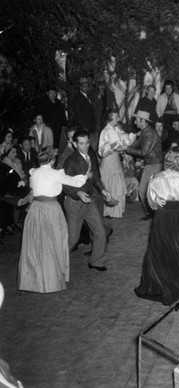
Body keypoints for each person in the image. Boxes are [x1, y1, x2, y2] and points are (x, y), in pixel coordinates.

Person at [134, 148, 179, 309]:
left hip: (163, 218)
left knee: (158, 252)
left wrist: (157, 200)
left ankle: (161, 287)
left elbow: (151, 204)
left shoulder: (157, 178)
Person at [18, 149, 86, 293]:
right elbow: (75, 181)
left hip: (35, 210)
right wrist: (86, 175)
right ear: (52, 160)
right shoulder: (56, 174)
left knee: (36, 244)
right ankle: (52, 281)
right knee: (54, 242)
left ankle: (34, 280)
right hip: (51, 210)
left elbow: (32, 190)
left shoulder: (34, 173)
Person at [63, 130, 112, 271]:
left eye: (87, 143)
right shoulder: (70, 161)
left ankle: (96, 261)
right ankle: (55, 261)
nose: (84, 146)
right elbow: (64, 184)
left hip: (89, 200)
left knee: (100, 231)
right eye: (81, 143)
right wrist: (77, 193)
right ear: (75, 144)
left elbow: (95, 176)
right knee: (72, 239)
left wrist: (102, 190)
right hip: (74, 203)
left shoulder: (90, 154)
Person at [98, 111, 136, 218]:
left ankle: (116, 211)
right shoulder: (105, 131)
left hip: (115, 159)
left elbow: (124, 139)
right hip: (109, 159)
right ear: (109, 119)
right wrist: (110, 147)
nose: (118, 119)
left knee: (117, 183)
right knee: (110, 183)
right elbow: (101, 150)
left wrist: (129, 139)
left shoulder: (115, 129)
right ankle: (108, 211)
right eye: (116, 117)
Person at [126, 110, 163, 220]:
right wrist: (125, 148)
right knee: (144, 190)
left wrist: (127, 149)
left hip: (154, 164)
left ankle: (155, 213)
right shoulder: (144, 132)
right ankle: (152, 213)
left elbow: (144, 152)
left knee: (147, 190)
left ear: (142, 121)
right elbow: (135, 146)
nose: (135, 122)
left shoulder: (150, 133)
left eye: (137, 120)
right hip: (150, 164)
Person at [40, 85, 68, 151]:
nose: (53, 95)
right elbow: (42, 117)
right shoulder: (44, 104)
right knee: (51, 146)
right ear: (47, 93)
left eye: (54, 93)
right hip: (50, 128)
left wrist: (65, 126)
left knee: (60, 146)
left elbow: (63, 115)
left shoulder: (58, 103)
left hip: (59, 128)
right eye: (51, 93)